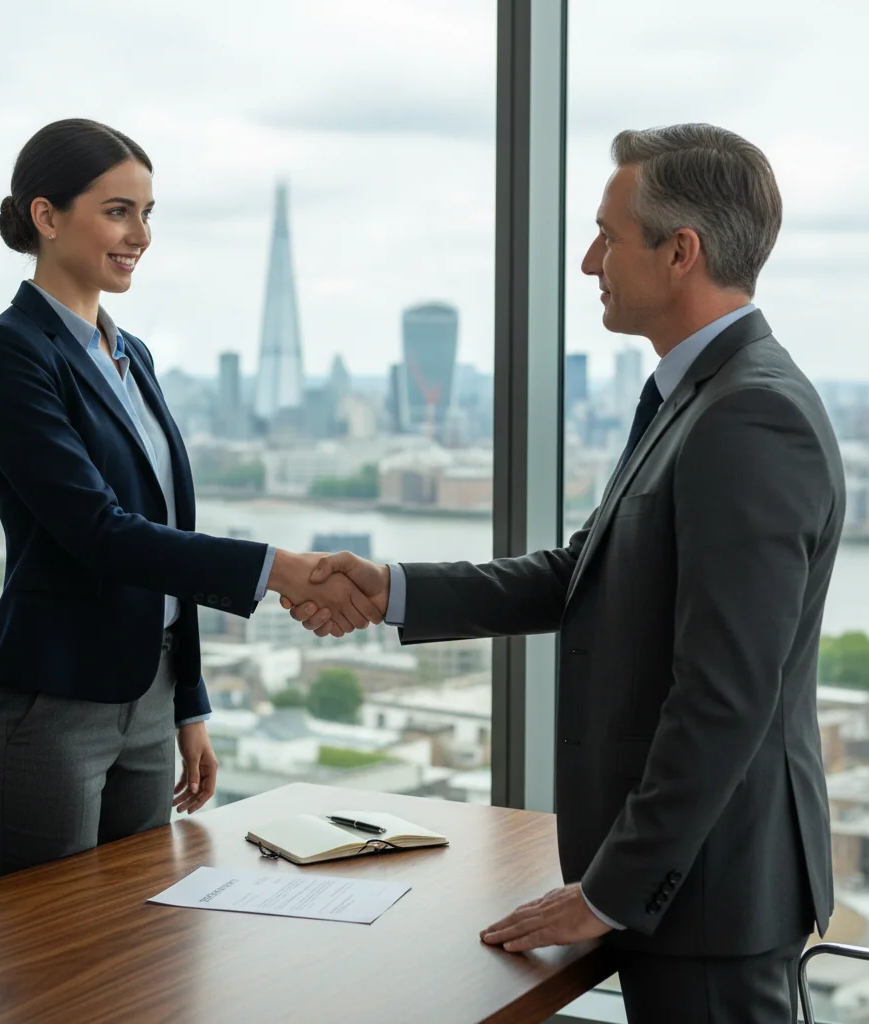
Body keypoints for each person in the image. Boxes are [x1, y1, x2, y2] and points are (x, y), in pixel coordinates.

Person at [286, 124, 844, 1022]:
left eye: (607, 235)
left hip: (710, 897)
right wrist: (391, 589)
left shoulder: (749, 418)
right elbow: (580, 573)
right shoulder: (696, 397)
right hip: (689, 891)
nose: (589, 261)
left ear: (681, 252)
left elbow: (725, 697)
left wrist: (609, 891)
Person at [0, 118, 380, 881]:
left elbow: (164, 533)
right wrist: (278, 568)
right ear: (46, 217)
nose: (141, 234)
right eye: (118, 210)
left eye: (148, 212)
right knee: (43, 966)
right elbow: (100, 532)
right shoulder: (8, 353)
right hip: (50, 702)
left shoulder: (133, 356)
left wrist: (187, 701)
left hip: (149, 697)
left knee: (140, 948)